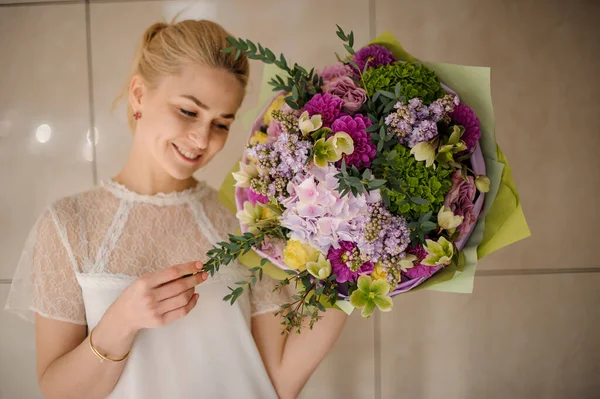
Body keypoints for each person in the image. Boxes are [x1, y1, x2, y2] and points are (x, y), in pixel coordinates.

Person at [4, 19, 348, 399]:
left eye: (221, 123)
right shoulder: (70, 223)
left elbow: (276, 381)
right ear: (139, 94)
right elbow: (57, 392)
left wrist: (366, 267)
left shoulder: (245, 220)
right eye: (188, 111)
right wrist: (120, 323)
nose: (202, 139)